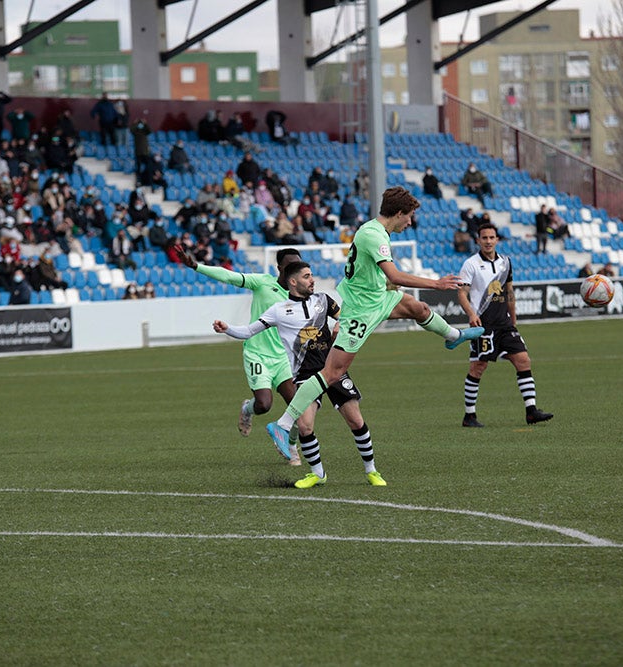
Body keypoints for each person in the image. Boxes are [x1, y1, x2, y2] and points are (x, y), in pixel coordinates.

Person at [266, 186, 484, 453]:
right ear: (400, 212)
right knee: (332, 372)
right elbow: (394, 275)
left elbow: (371, 274)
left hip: (378, 298)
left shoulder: (376, 231)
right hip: (361, 312)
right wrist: (436, 283)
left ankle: (454, 337)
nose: (410, 222)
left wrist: (384, 286)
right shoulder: (374, 235)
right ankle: (284, 424)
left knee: (418, 308)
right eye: (410, 216)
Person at [215, 261, 385, 486]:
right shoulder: (279, 310)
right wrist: (227, 329)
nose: (312, 279)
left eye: (312, 275)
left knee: (355, 420)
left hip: (333, 369)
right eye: (306, 276)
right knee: (305, 426)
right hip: (305, 375)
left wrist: (339, 325)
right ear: (293, 282)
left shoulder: (323, 300)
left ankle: (371, 471)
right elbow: (249, 331)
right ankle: (317, 474)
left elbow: (346, 317)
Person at [174, 243, 302, 461]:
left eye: (298, 266)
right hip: (258, 353)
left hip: (283, 358)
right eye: (291, 266)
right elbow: (229, 277)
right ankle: (247, 409)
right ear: (280, 268)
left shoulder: (300, 294)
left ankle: (291, 447)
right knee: (264, 405)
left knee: (300, 407)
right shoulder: (263, 282)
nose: (295, 270)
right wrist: (196, 266)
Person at [455, 221, 553, 428]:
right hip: (483, 325)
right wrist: (471, 314)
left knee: (523, 360)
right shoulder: (470, 264)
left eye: (492, 237)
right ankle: (469, 416)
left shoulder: (506, 262)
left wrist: (514, 320)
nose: (488, 241)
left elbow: (509, 292)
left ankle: (531, 411)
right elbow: (461, 294)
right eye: (484, 238)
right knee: (478, 367)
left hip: (505, 325)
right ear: (478, 240)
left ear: (497, 239)